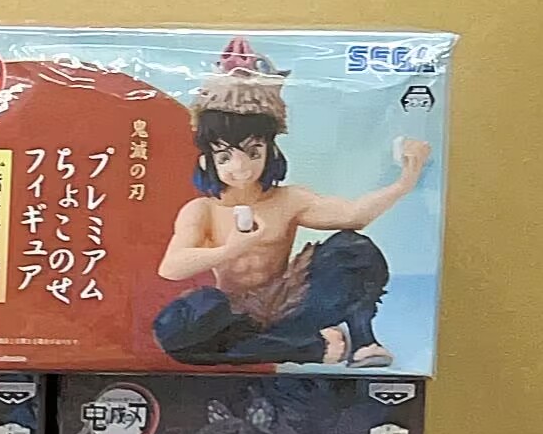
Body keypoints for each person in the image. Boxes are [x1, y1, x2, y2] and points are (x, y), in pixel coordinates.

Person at [152, 37, 430, 366]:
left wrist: (404, 183)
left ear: (270, 151)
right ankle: (308, 348)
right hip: (236, 318)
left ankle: (362, 341)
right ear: (207, 161)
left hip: (290, 302)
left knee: (354, 248)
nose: (240, 167)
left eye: (253, 152)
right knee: (176, 331)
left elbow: (353, 216)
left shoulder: (288, 199)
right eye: (225, 157)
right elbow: (171, 267)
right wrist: (231, 249)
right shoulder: (203, 210)